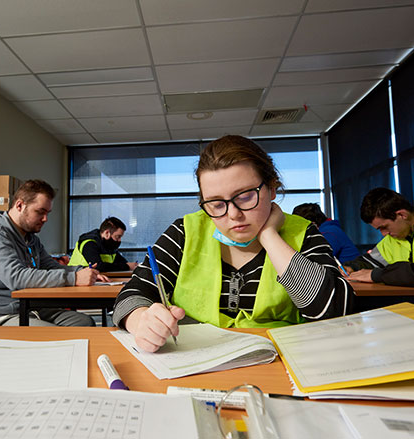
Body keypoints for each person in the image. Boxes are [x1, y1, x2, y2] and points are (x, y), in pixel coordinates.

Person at [113, 135, 354, 352]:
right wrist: (141, 320)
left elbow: (336, 312)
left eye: (245, 196)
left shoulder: (303, 233)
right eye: (216, 204)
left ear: (271, 189)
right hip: (194, 363)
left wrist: (270, 236)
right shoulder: (185, 231)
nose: (233, 215)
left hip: (281, 365)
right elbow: (132, 294)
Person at [0, 179, 107, 326]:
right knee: (57, 336)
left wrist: (83, 272)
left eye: (48, 213)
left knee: (83, 322)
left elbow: (49, 266)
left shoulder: (30, 238)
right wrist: (73, 278)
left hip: (24, 307)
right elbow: (17, 278)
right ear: (20, 205)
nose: (45, 219)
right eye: (40, 212)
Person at [292, 203, 360, 263]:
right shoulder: (330, 229)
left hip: (350, 274)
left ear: (312, 224)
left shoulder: (328, 233)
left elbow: (318, 260)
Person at [69, 217, 138, 271]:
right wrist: (127, 266)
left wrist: (133, 265)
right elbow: (98, 266)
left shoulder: (108, 246)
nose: (119, 240)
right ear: (107, 233)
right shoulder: (89, 243)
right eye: (118, 237)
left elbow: (122, 262)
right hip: (75, 280)